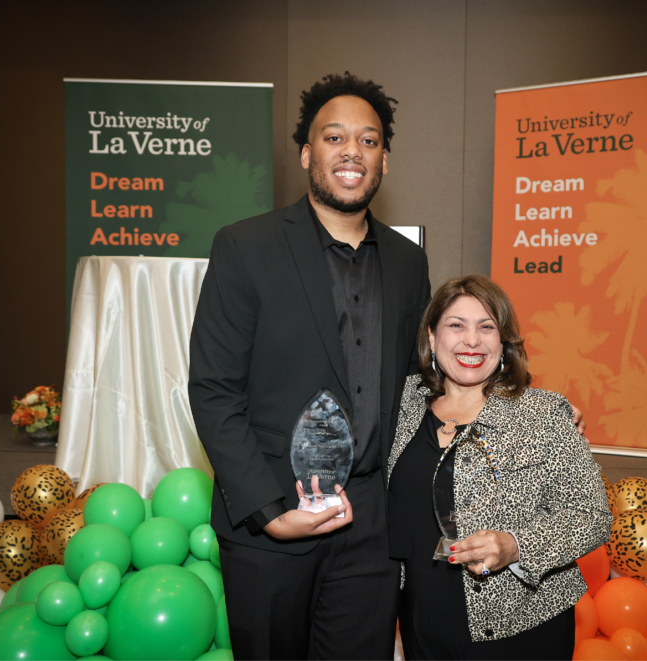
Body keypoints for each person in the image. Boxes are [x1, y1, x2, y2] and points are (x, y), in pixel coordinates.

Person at [188, 73, 430, 659]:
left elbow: (426, 377)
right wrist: (269, 512)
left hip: (373, 523)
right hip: (273, 516)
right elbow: (214, 389)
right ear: (306, 153)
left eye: (369, 141)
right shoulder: (245, 247)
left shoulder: (409, 260)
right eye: (334, 137)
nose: (353, 152)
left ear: (385, 161)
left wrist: (524, 409)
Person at [387, 274, 612, 659]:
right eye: (456, 325)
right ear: (431, 336)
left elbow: (593, 516)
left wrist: (516, 545)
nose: (471, 341)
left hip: (520, 627)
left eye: (486, 327)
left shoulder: (543, 414)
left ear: (503, 342)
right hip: (419, 621)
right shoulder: (401, 403)